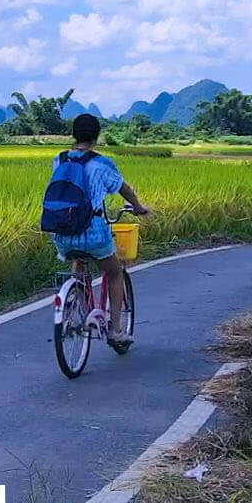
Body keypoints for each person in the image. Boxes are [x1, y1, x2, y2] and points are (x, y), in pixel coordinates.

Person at [49, 113, 149, 341]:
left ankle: (81, 309)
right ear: (97, 136)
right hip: (93, 233)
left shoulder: (60, 159)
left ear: (73, 135)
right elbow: (124, 188)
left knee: (79, 261)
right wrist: (138, 207)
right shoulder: (101, 163)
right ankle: (115, 331)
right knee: (114, 273)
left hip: (63, 233)